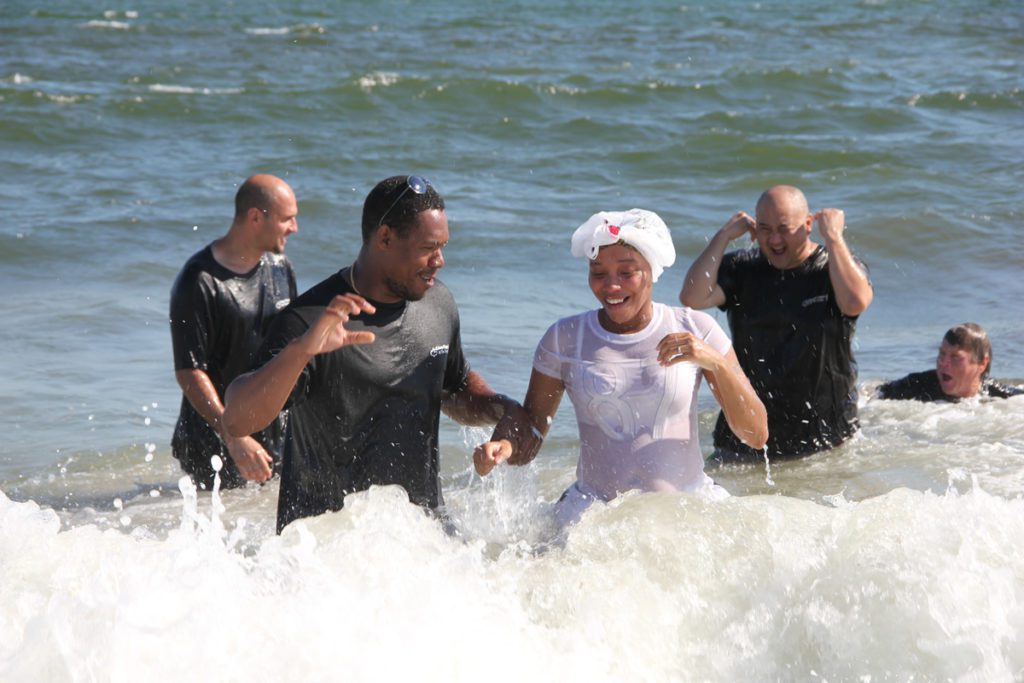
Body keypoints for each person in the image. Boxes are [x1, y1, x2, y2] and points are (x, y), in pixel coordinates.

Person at [222, 175, 523, 533]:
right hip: (328, 549)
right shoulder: (310, 320)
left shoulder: (438, 304)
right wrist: (301, 352)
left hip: (423, 539)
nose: (439, 261)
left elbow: (454, 389)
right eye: (429, 247)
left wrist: (502, 409)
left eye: (443, 246)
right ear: (385, 238)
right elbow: (238, 419)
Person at [474, 209, 767, 526]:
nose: (610, 286)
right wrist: (504, 445)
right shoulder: (565, 338)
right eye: (598, 273)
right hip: (593, 518)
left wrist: (715, 362)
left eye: (626, 273)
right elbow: (531, 431)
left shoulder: (696, 328)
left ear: (651, 272)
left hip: (685, 513)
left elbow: (756, 434)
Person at [679, 185, 873, 460]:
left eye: (784, 228)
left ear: (808, 225)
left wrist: (833, 237)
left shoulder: (834, 267)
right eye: (765, 229)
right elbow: (692, 297)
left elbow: (855, 302)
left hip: (826, 438)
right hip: (745, 438)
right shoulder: (743, 267)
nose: (774, 239)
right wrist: (722, 237)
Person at [169, 174, 298, 490]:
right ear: (256, 217)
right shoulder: (198, 281)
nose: (294, 228)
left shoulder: (281, 268)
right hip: (212, 440)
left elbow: (292, 347)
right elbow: (189, 371)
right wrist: (234, 435)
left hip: (273, 435)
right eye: (287, 219)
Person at [878, 323, 1023, 401]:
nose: (943, 363)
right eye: (942, 353)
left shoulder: (997, 395)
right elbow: (875, 393)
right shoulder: (919, 385)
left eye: (955, 357)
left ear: (982, 364)